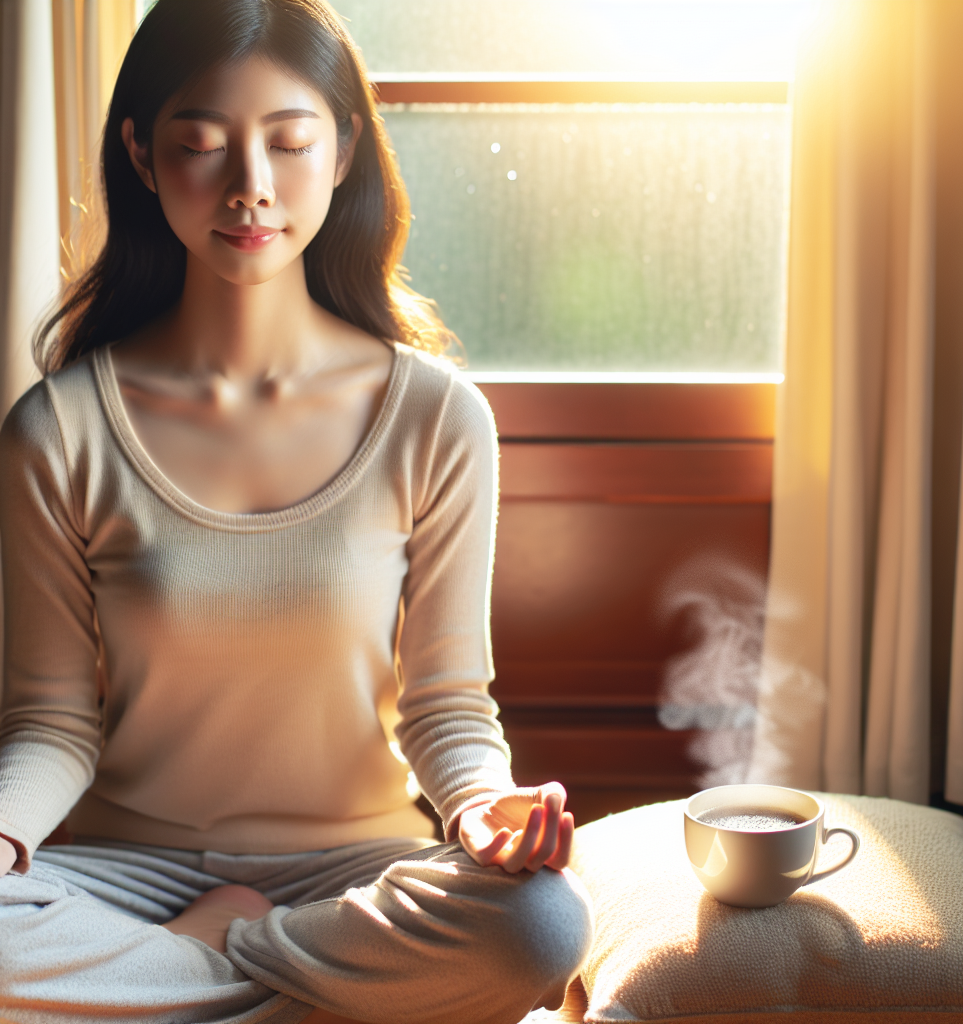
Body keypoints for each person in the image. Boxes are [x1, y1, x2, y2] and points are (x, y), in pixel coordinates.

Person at [0, 1, 593, 1021]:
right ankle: (305, 1001)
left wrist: (487, 812)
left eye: (289, 142)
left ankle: (200, 965)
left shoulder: (437, 416)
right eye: (200, 145)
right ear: (142, 155)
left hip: (354, 877)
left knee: (538, 925)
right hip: (119, 870)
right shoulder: (58, 431)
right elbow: (53, 721)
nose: (250, 188)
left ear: (345, 148)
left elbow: (446, 706)